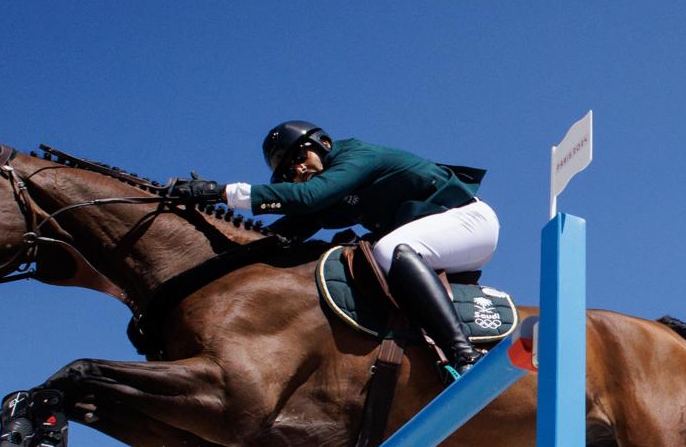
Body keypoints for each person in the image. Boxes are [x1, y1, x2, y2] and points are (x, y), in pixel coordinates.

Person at [168, 122, 498, 377]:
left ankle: (465, 355)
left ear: (324, 144)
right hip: (436, 239)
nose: (297, 170)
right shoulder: (330, 196)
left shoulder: (355, 156)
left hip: (468, 221)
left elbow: (309, 197)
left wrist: (223, 192)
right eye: (287, 172)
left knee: (389, 249)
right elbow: (274, 236)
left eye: (299, 157)